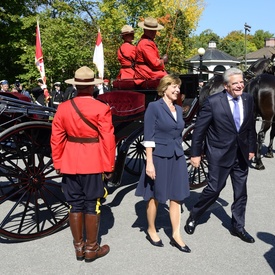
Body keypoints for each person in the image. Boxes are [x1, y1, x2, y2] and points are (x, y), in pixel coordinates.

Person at [51, 66, 116, 262]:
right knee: (92, 204)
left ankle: (78, 248)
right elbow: (108, 140)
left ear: (76, 86)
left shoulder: (63, 108)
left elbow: (56, 138)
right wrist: (109, 166)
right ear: (92, 87)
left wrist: (58, 162)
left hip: (70, 160)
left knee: (74, 204)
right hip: (93, 161)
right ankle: (91, 248)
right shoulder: (101, 108)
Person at [184, 67, 257, 243]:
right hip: (219, 154)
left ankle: (238, 226)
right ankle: (195, 215)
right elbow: (200, 130)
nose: (240, 86)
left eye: (242, 82)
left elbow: (250, 127)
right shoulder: (213, 102)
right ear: (226, 86)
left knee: (241, 193)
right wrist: (196, 153)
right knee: (214, 189)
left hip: (242, 154)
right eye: (236, 83)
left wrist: (252, 148)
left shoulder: (248, 99)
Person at [135, 74, 191, 253]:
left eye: (178, 87)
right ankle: (151, 229)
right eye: (174, 86)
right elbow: (149, 137)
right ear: (164, 88)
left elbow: (178, 133)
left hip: (177, 157)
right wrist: (149, 163)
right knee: (154, 196)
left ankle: (176, 234)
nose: (177, 90)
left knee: (177, 196)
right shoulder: (154, 107)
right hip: (158, 157)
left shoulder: (177, 108)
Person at [134, 17, 168, 85]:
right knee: (173, 81)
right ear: (144, 29)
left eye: (154, 30)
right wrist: (163, 60)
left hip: (147, 72)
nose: (154, 32)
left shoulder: (146, 41)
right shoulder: (146, 43)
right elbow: (155, 63)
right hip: (147, 74)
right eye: (151, 30)